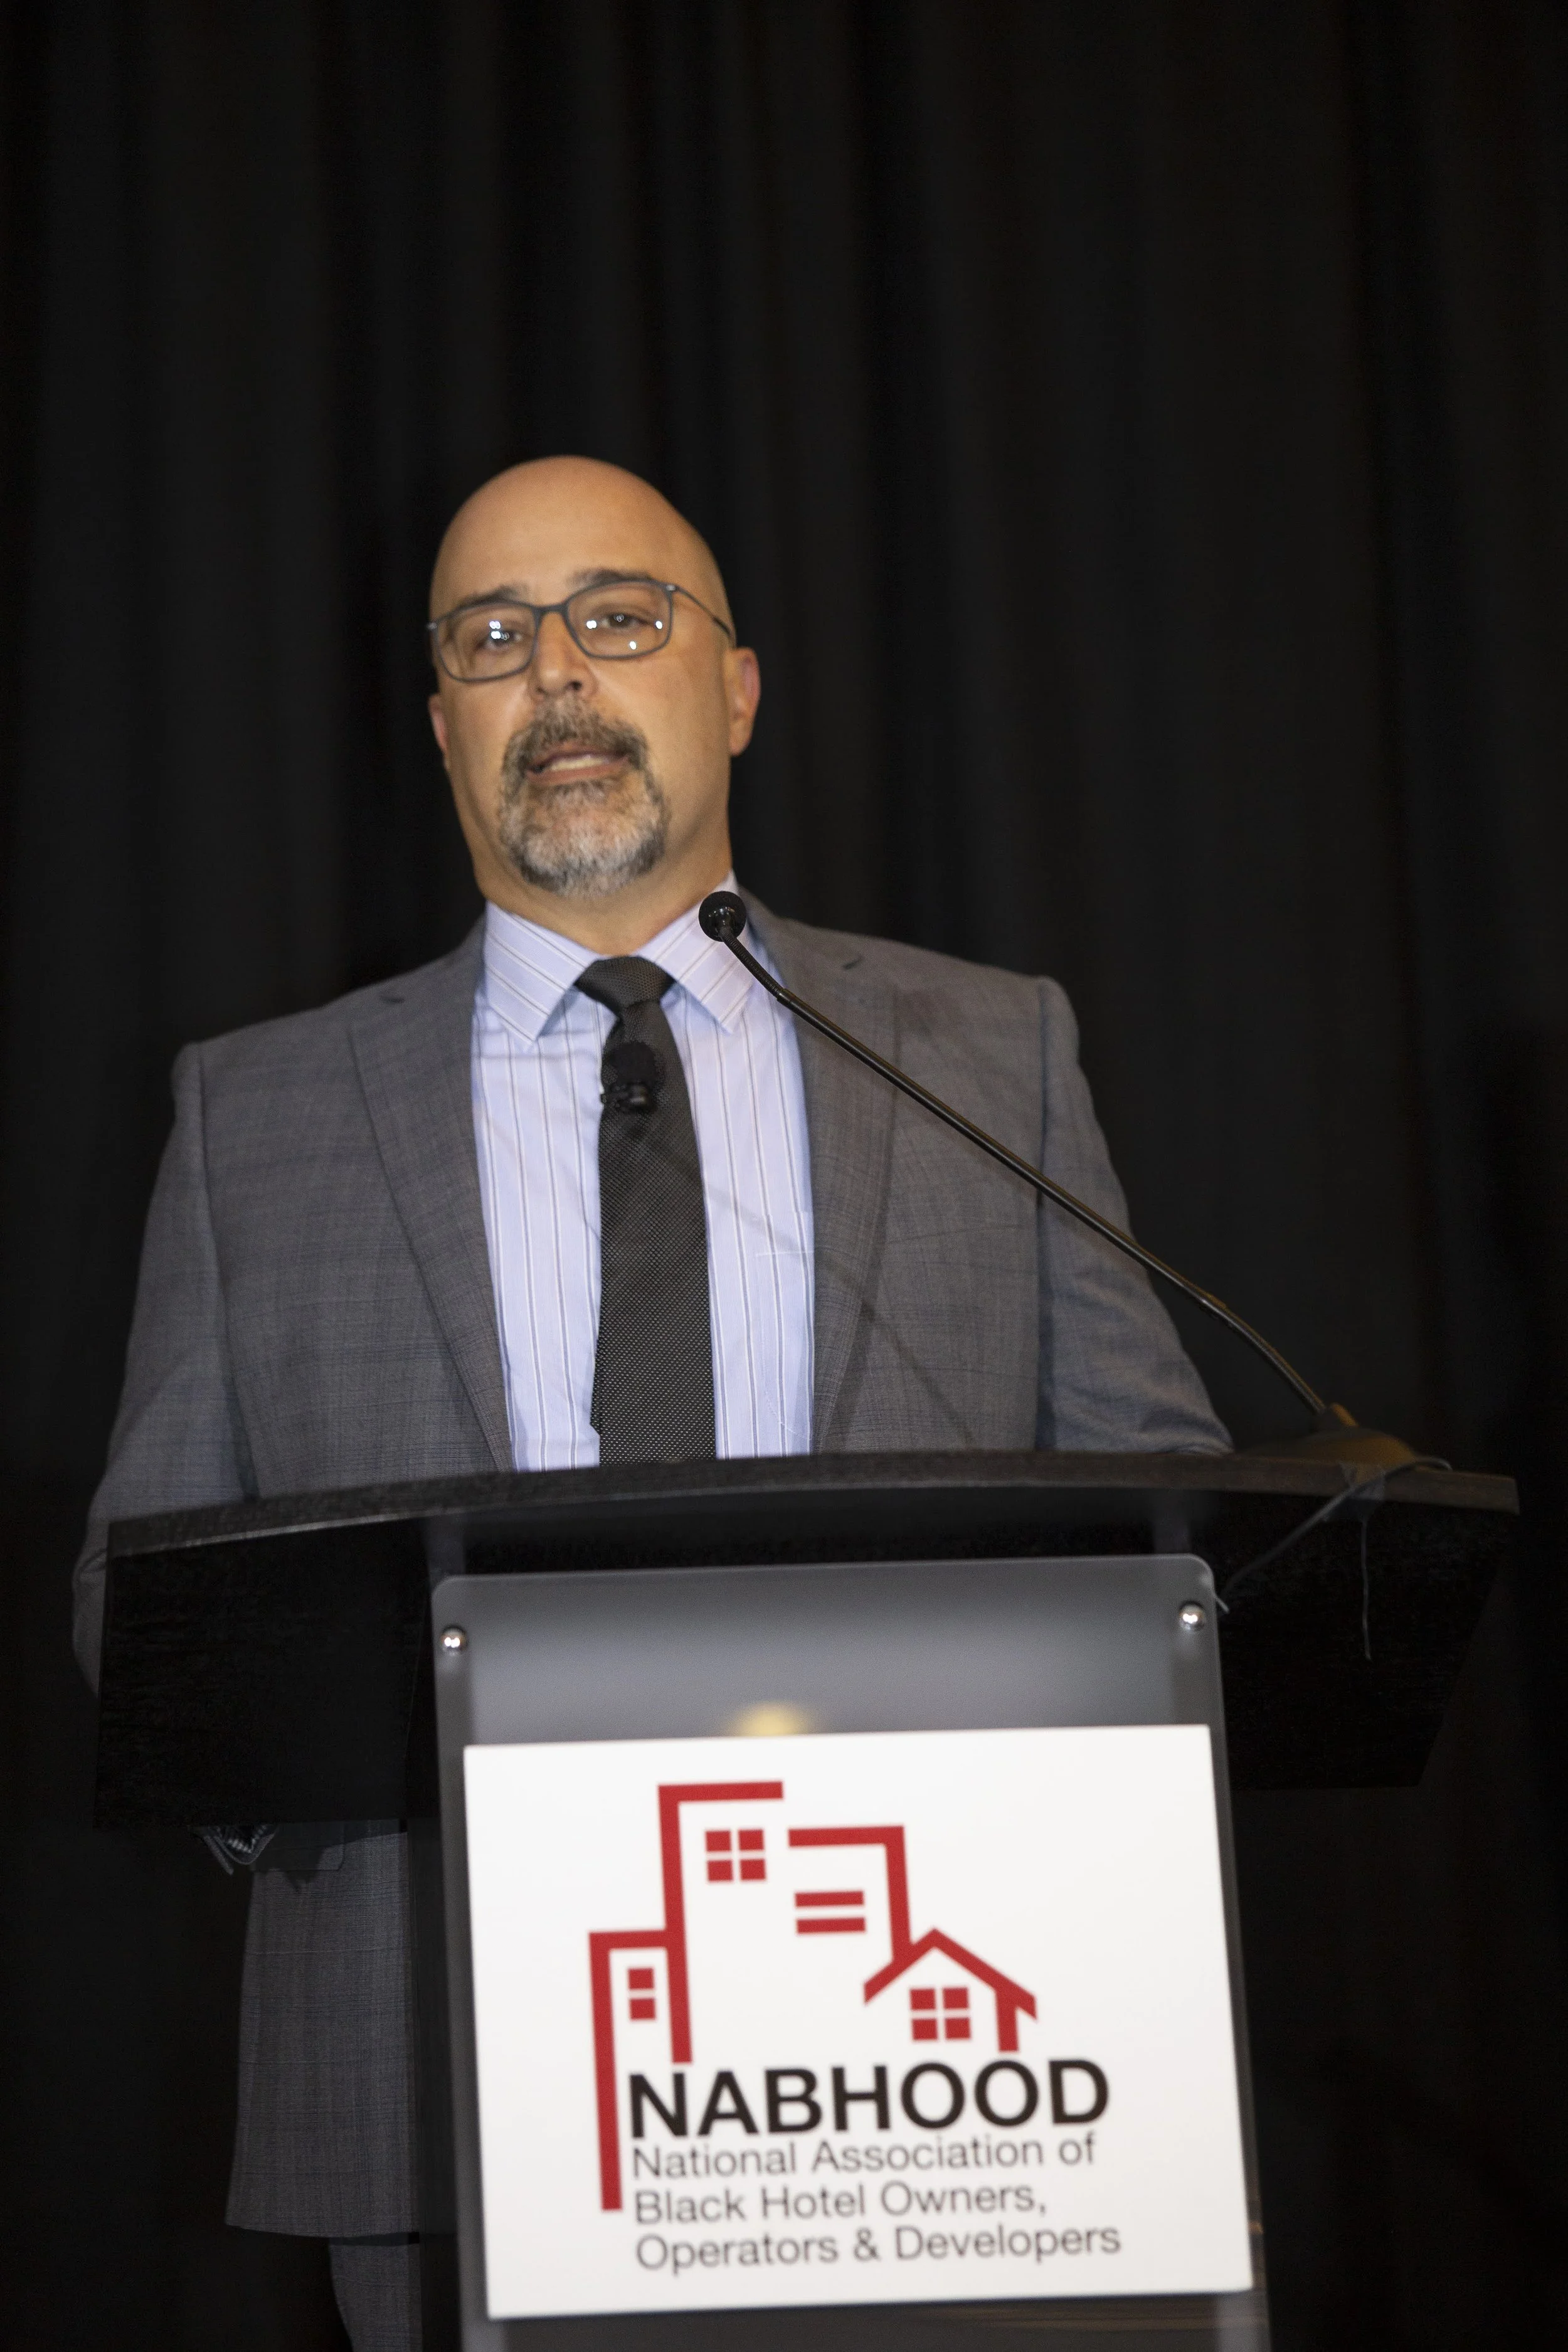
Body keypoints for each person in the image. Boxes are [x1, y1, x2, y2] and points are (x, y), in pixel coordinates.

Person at [73, 456, 1227, 2349]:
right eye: (493, 638)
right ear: (440, 724)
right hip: (446, 2069)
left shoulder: (981, 1051)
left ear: (736, 687)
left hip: (946, 2074)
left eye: (618, 619)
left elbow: (1161, 1500)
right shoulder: (254, 1114)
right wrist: (321, 1776)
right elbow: (141, 1598)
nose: (558, 677)